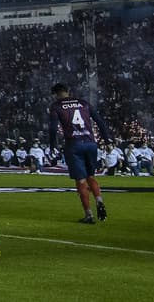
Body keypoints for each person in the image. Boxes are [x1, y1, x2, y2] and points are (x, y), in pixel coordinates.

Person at [48, 83, 111, 224]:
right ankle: (99, 199)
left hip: (74, 145)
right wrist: (107, 140)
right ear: (68, 90)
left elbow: (53, 128)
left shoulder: (56, 106)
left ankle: (89, 214)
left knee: (81, 180)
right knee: (91, 176)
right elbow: (99, 121)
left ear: (55, 94)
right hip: (90, 143)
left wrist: (52, 145)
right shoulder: (83, 103)